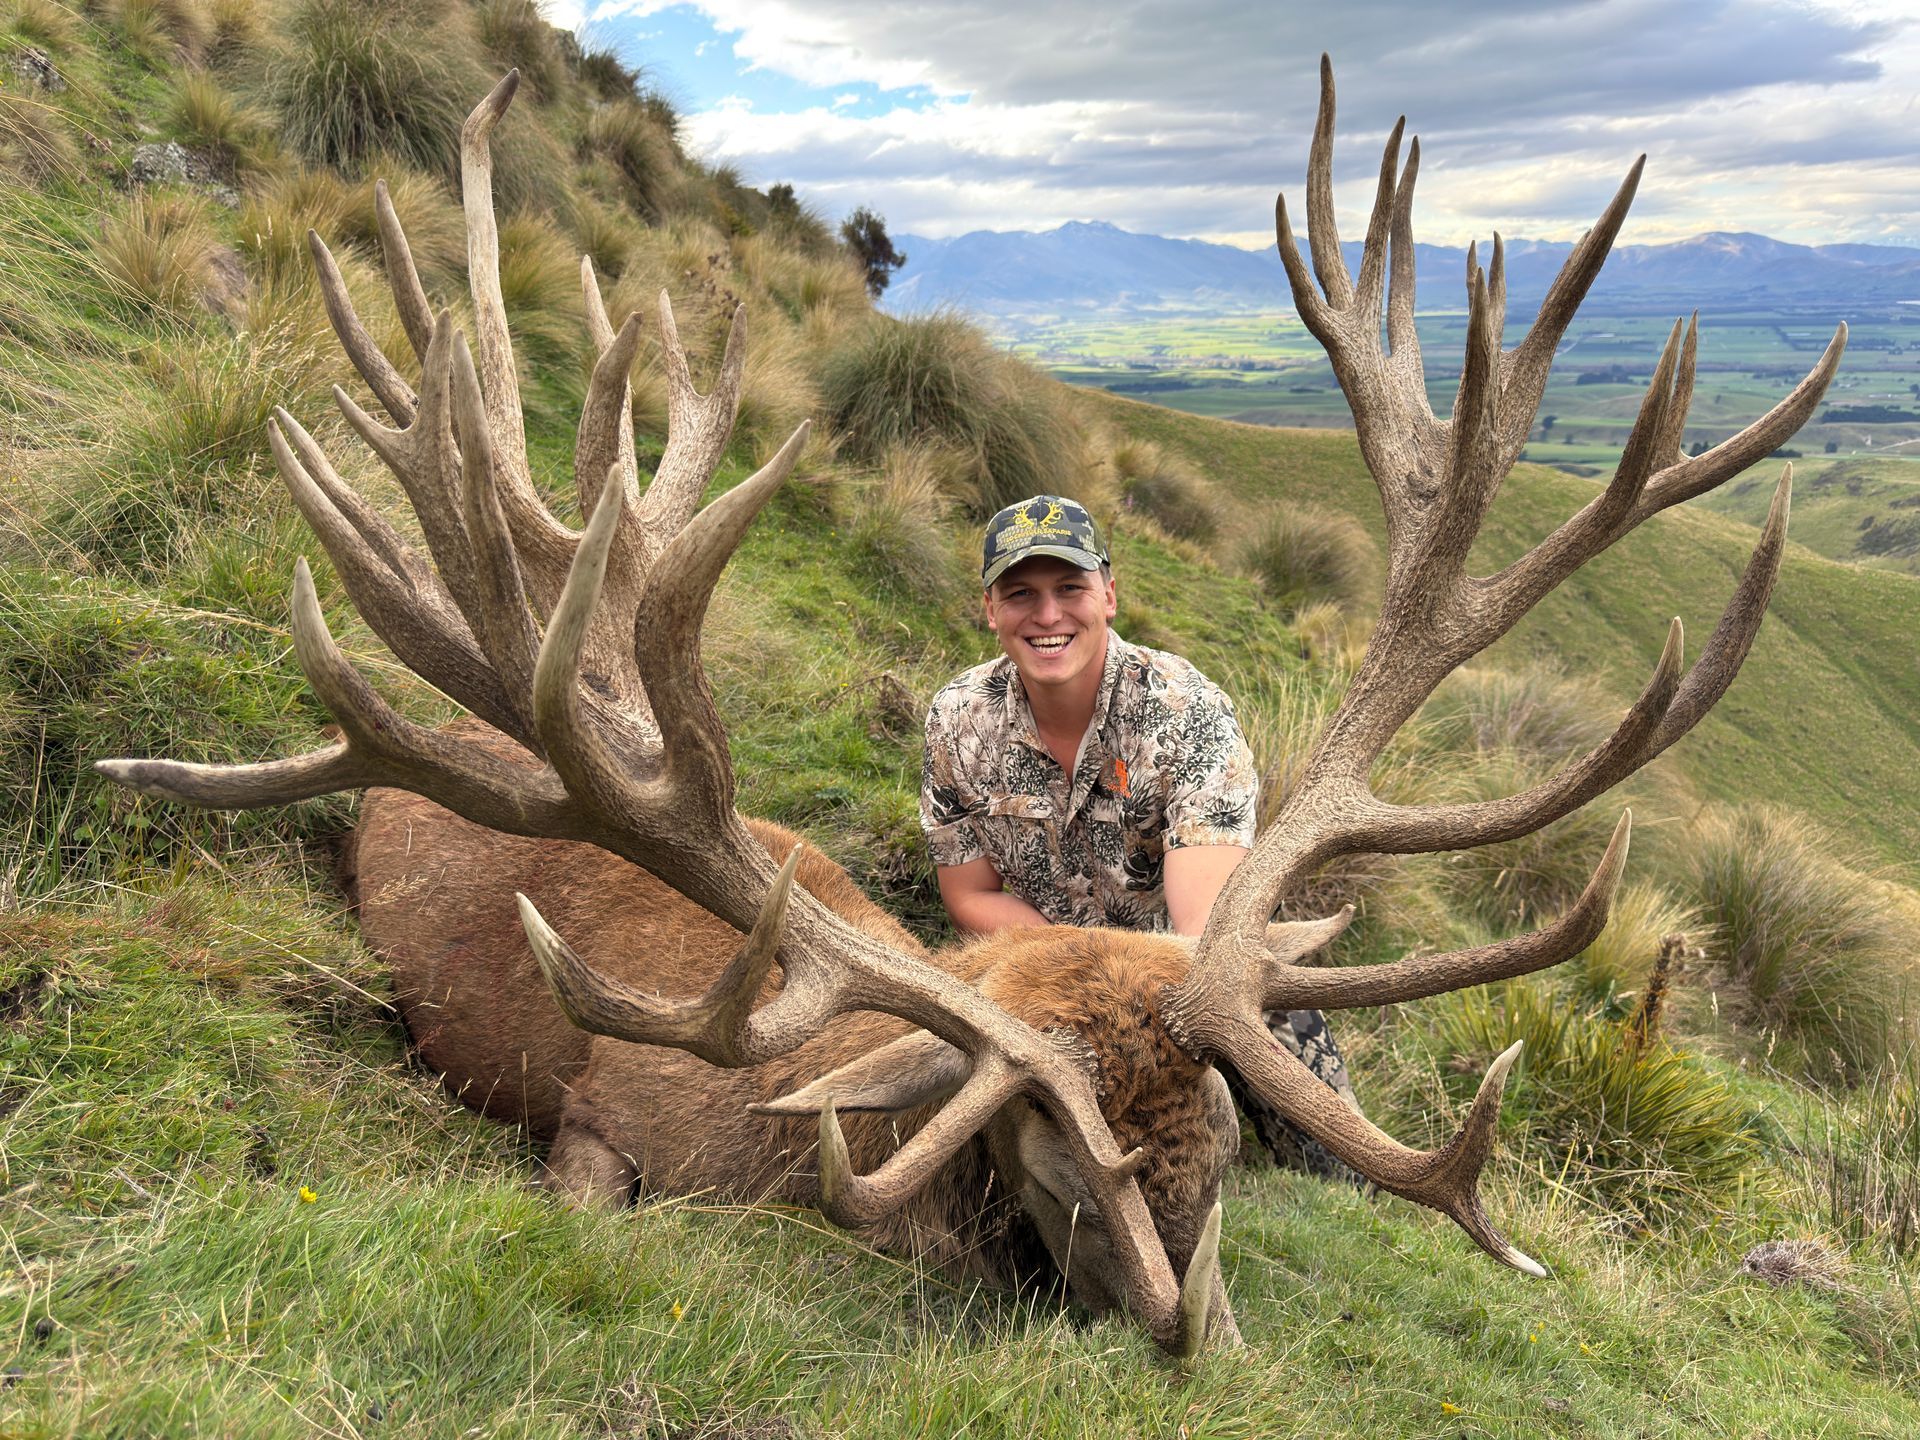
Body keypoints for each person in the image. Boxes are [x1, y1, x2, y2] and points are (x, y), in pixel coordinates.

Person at [918, 493, 1361, 1177]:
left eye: (1070, 588)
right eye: (1020, 594)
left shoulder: (1188, 712)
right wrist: (1059, 974)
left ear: (1109, 595)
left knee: (1332, 1157)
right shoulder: (957, 720)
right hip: (1050, 976)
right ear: (990, 609)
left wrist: (1117, 1008)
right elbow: (970, 896)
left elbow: (1201, 929)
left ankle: (1330, 1178)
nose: (1046, 615)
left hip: (1182, 981)